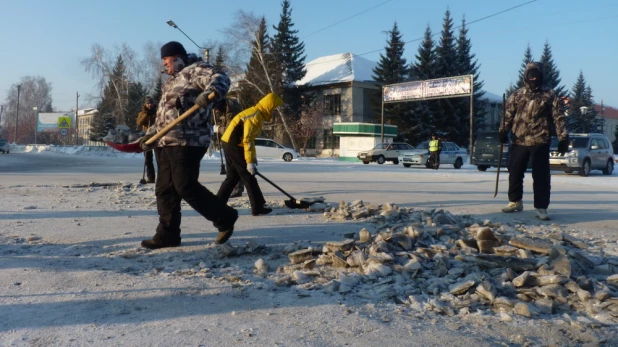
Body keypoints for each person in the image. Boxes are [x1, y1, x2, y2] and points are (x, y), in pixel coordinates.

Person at [139, 41, 238, 249]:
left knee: (184, 185)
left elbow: (221, 78)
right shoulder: (171, 82)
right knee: (165, 190)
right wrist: (150, 135)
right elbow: (165, 117)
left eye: (166, 61)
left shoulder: (196, 70)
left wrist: (210, 92)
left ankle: (225, 217)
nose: (164, 66)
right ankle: (168, 234)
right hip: (166, 141)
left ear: (177, 58)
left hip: (189, 140)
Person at [499, 61, 568, 221]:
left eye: (536, 75)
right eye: (531, 75)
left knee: (541, 175)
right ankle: (515, 201)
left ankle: (541, 207)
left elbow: (558, 118)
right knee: (515, 172)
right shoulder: (517, 95)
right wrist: (503, 130)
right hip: (519, 140)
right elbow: (508, 114)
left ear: (541, 76)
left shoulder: (550, 95)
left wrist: (563, 137)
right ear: (526, 76)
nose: (533, 78)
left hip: (540, 140)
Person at [216, 93, 284, 216]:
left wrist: (251, 159)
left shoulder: (255, 113)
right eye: (274, 108)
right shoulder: (255, 116)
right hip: (233, 143)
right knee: (248, 176)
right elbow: (247, 140)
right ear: (268, 106)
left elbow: (249, 140)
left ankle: (217, 204)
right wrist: (249, 162)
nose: (274, 112)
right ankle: (257, 207)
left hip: (229, 142)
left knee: (233, 177)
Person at [212, 97, 245, 198]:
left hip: (235, 142)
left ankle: (237, 188)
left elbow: (230, 130)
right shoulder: (226, 110)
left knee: (236, 168)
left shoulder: (232, 111)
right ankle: (234, 188)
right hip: (229, 142)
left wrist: (219, 128)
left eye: (217, 109)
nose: (216, 111)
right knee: (231, 168)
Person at [136, 96, 157, 183]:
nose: (150, 105)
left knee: (160, 157)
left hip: (156, 135)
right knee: (148, 159)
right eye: (148, 103)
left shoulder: (157, 112)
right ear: (145, 104)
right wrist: (146, 114)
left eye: (151, 103)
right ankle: (150, 177)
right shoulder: (142, 113)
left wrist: (153, 115)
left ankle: (163, 177)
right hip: (147, 137)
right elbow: (139, 122)